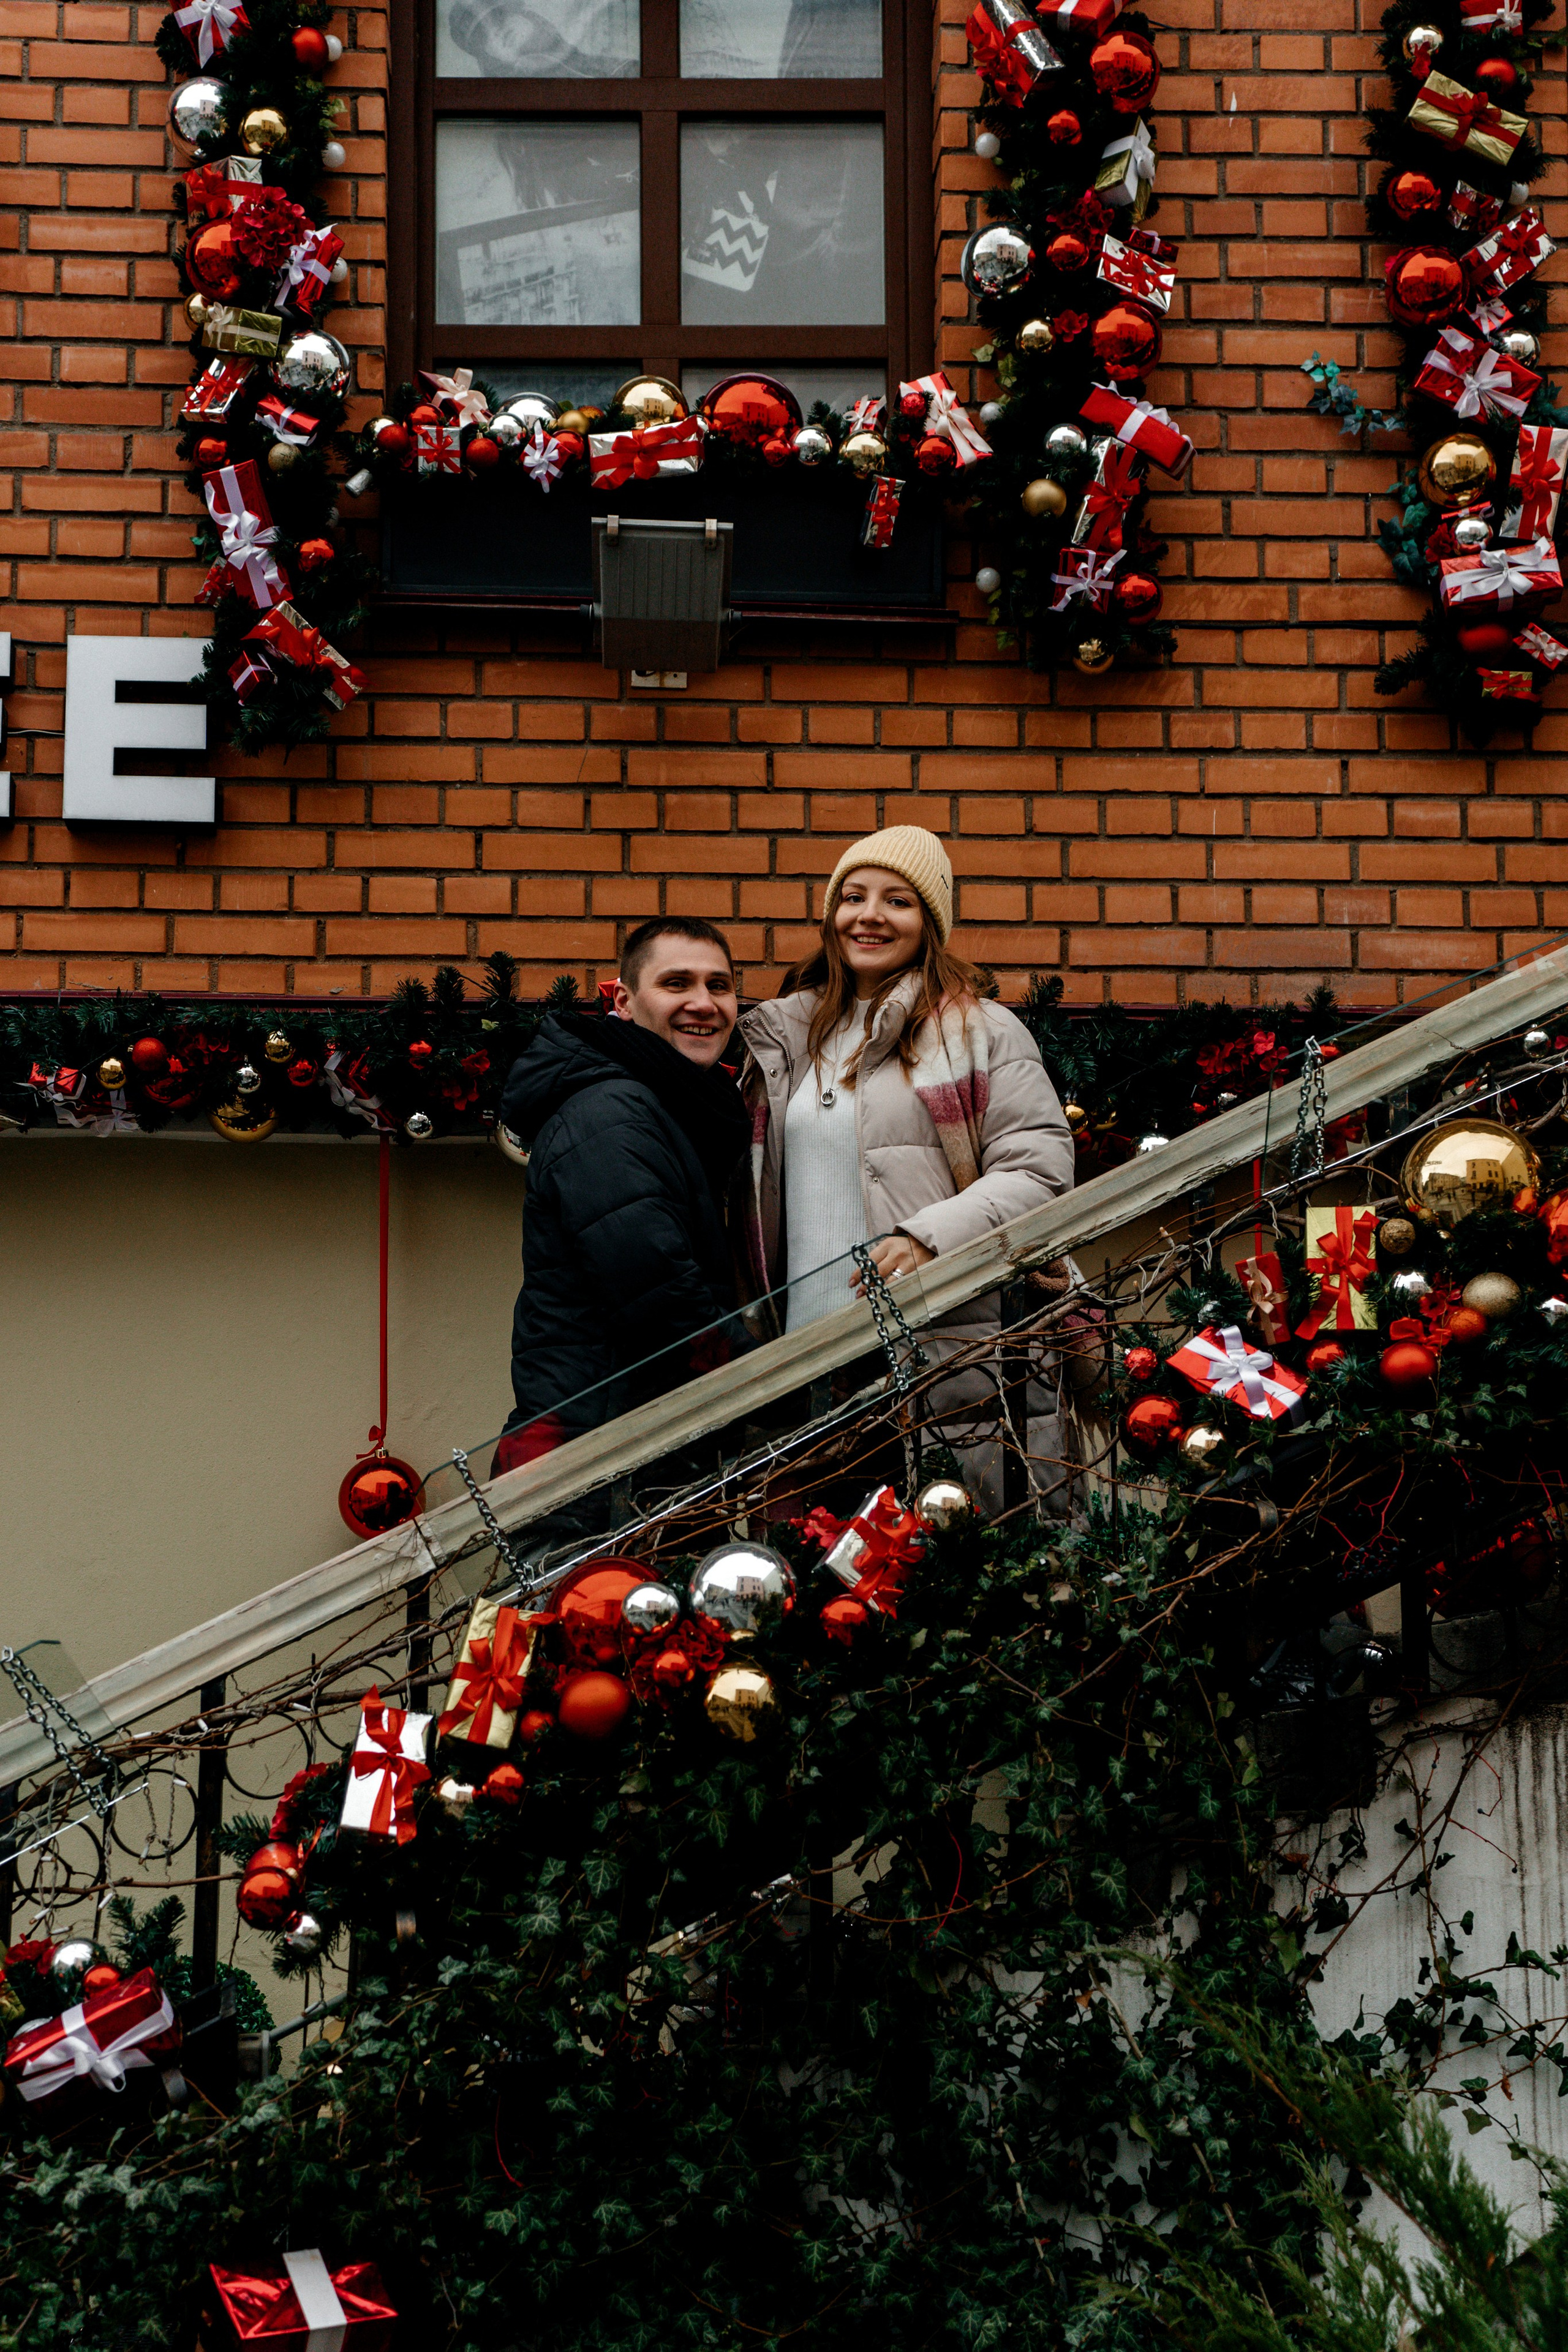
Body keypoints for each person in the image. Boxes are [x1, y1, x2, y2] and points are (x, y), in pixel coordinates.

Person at [739, 826, 1076, 1511]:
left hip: (937, 1351)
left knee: (945, 1574)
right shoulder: (782, 1039)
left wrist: (927, 1237)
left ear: (930, 922)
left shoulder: (979, 1032)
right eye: (853, 896)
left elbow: (1039, 1175)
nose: (869, 916)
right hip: (802, 1362)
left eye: (898, 901)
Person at [491, 918, 751, 1520]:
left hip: (628, 1455)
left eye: (719, 986)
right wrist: (780, 1384)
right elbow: (661, 1298)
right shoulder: (610, 1113)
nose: (703, 1004)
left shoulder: (669, 1105)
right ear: (626, 1003)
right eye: (677, 983)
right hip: (591, 1469)